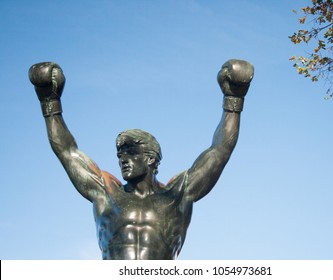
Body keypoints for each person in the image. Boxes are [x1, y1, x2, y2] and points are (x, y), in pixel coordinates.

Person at [29, 59, 254, 260]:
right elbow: (67, 152)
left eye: (130, 154)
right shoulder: (106, 193)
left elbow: (220, 150)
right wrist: (49, 103)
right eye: (120, 155)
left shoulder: (178, 193)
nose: (122, 160)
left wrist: (234, 98)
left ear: (150, 159)